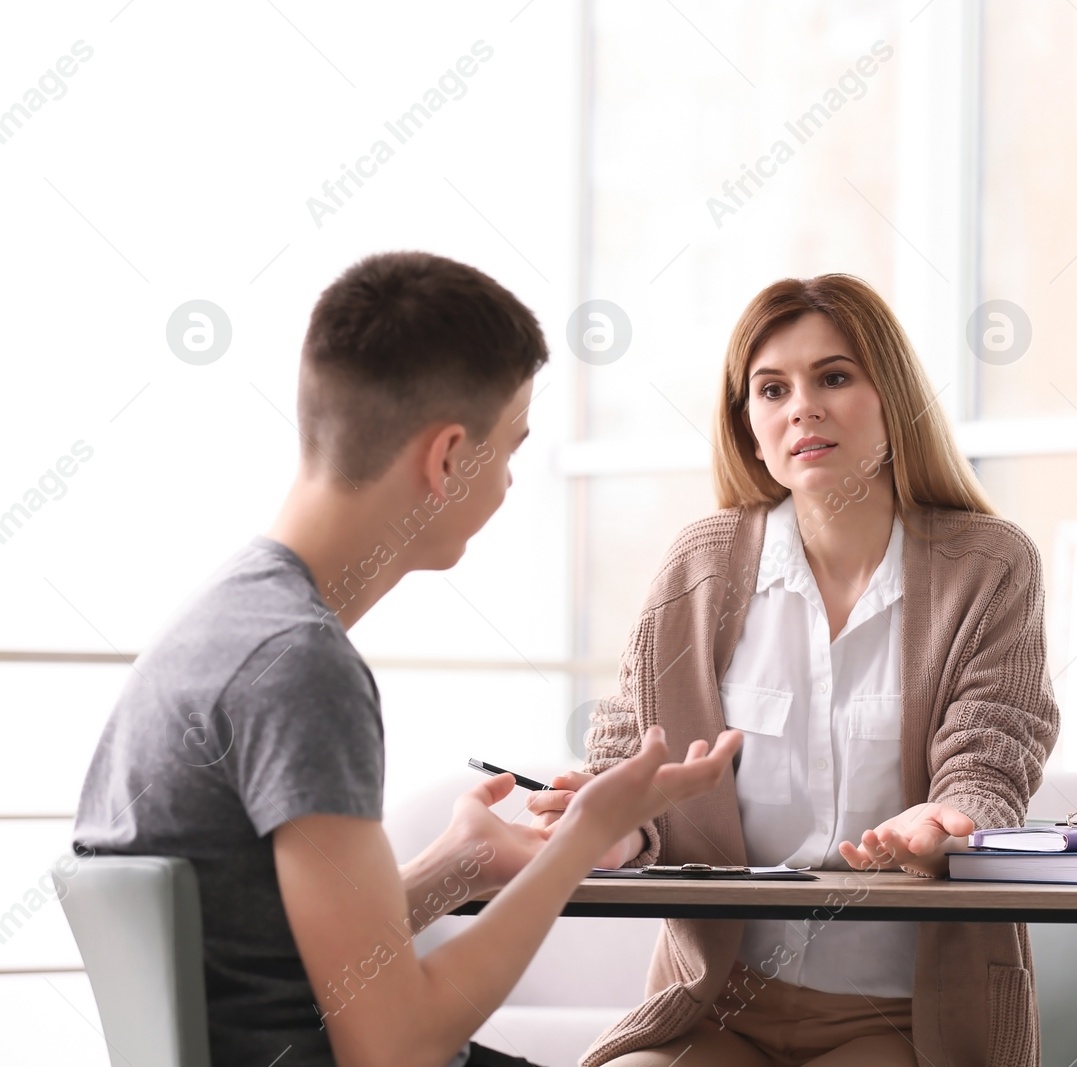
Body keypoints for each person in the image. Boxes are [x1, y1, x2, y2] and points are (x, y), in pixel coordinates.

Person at [71, 251, 741, 1067]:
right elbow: (395, 1045)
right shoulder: (300, 668)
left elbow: (269, 948)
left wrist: (454, 870)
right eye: (510, 451)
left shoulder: (226, 624)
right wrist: (584, 836)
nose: (506, 485)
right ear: (449, 457)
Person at [530, 274, 1060, 1067]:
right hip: (718, 1004)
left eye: (834, 377)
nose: (801, 407)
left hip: (900, 1019)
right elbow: (632, 756)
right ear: (749, 428)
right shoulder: (701, 564)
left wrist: (951, 821)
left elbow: (993, 755)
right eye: (771, 389)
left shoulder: (989, 565)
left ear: (894, 400)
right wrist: (606, 818)